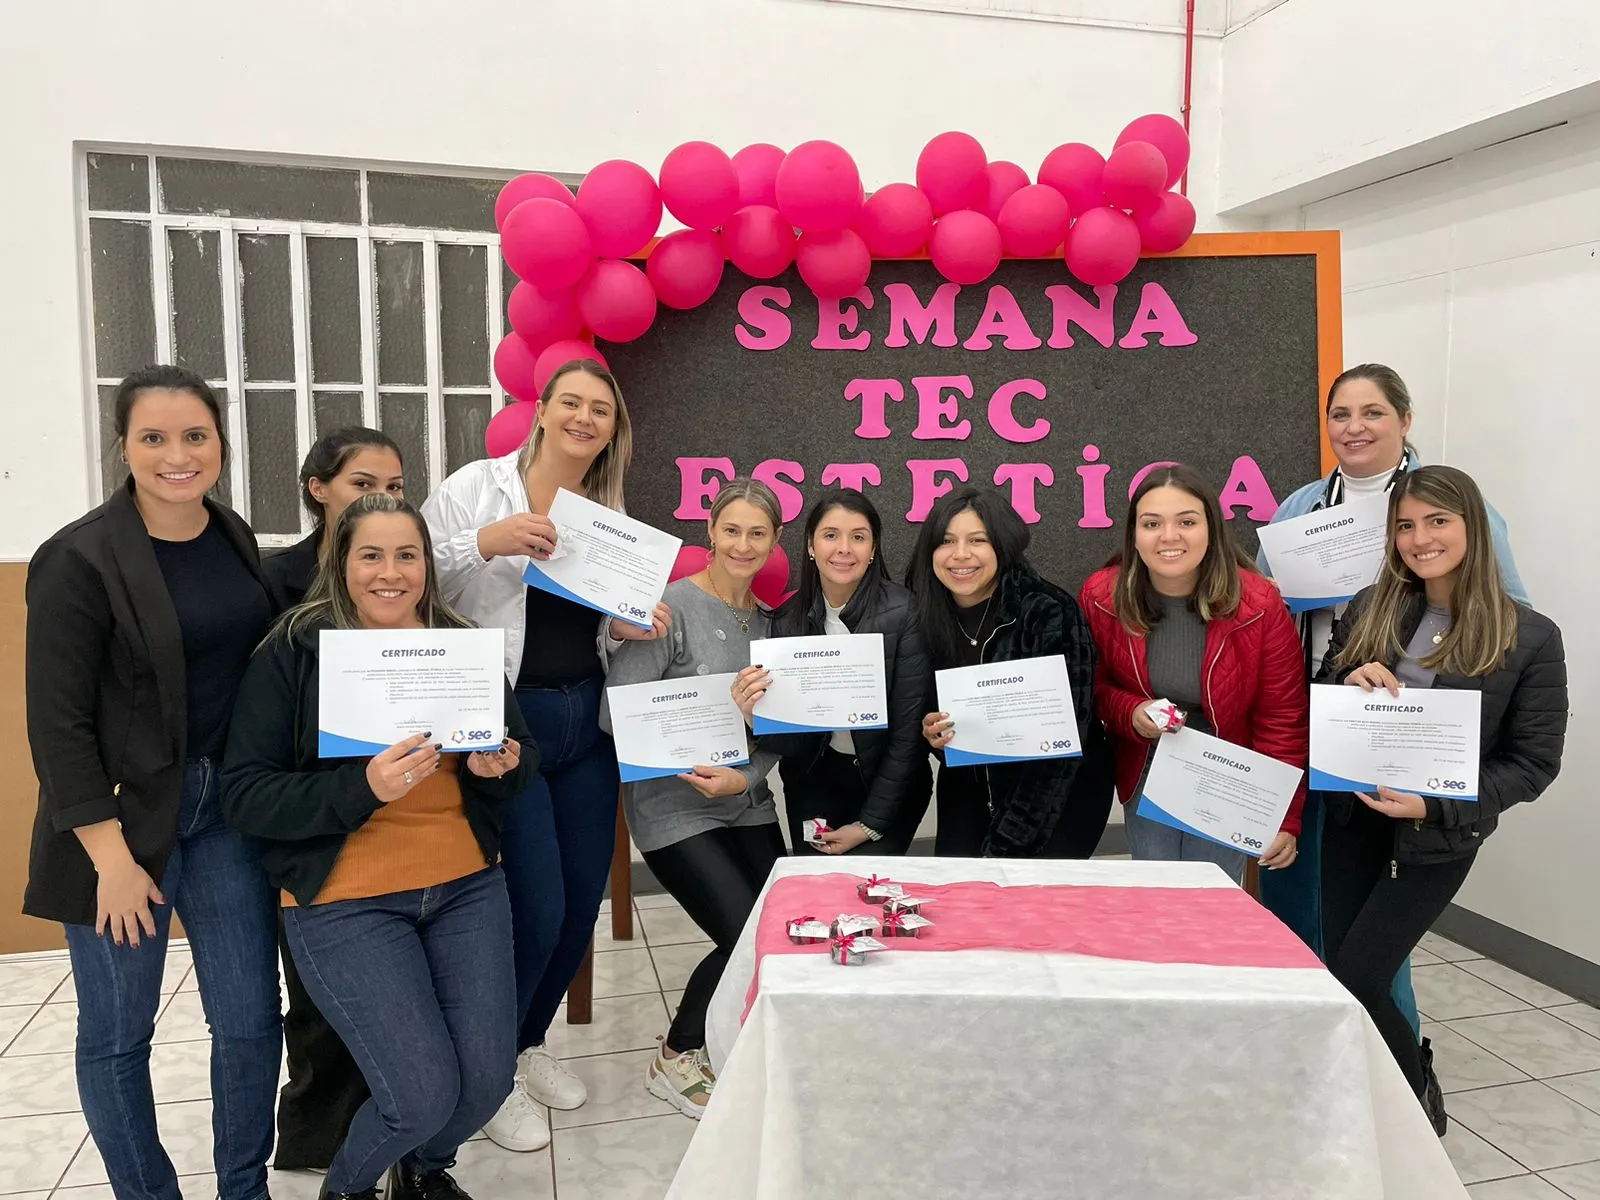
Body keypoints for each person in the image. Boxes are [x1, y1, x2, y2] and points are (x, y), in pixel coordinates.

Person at [222, 494, 536, 1200]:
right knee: (419, 1095)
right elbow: (245, 794)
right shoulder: (293, 653)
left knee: (487, 1082)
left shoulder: (458, 643)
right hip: (345, 900)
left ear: (427, 564)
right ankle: (351, 1189)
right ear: (341, 562)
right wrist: (361, 788)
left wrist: (504, 767)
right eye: (371, 555)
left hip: (466, 887)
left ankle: (425, 1173)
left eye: (407, 555)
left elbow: (521, 757)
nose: (389, 573)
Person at [23, 365, 281, 1200]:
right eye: (155, 438)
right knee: (118, 1033)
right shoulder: (79, 557)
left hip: (225, 817)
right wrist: (111, 859)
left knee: (247, 1024)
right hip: (120, 831)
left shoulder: (232, 533)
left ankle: (243, 1188)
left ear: (220, 443)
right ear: (124, 446)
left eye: (195, 435)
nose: (178, 455)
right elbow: (56, 726)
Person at [1255, 363, 1530, 1089]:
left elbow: (1505, 625)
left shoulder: (1452, 505)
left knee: (1377, 934)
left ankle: (1399, 1068)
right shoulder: (1303, 505)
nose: (1354, 428)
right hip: (1318, 711)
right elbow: (1260, 609)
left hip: (1411, 739)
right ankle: (1315, 1052)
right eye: (1340, 414)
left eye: (1372, 412)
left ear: (1404, 421)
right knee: (1298, 889)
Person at [420, 359, 667, 1151]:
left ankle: (524, 1048)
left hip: (582, 721)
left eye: (601, 409)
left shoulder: (607, 513)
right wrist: (483, 542)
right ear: (542, 410)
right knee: (535, 905)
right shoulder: (474, 488)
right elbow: (406, 572)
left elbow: (585, 626)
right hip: (507, 723)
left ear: (612, 429)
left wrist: (623, 627)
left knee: (578, 910)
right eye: (572, 403)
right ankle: (487, 1078)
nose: (586, 418)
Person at [1318, 465, 1565, 1135]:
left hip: (1433, 840)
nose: (1420, 538)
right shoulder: (1372, 605)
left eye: (1437, 521)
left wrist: (1435, 808)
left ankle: (1412, 1105)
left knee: (1363, 974)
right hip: (1350, 823)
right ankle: (1364, 1094)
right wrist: (1348, 675)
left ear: (1471, 528)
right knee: (1341, 976)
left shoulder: (1530, 636)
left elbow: (1534, 764)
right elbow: (1326, 691)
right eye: (1406, 525)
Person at [599, 479, 786, 1118]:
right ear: (710, 532)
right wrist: (717, 720)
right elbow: (612, 716)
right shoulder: (667, 610)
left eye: (756, 533)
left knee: (781, 930)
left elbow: (782, 732)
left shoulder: (771, 625)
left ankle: (734, 1041)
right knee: (741, 934)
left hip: (744, 797)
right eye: (731, 529)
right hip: (670, 806)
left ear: (774, 542)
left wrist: (747, 776)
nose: (742, 543)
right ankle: (677, 1055)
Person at [260, 426, 405, 1171]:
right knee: (317, 1004)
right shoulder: (273, 586)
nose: (380, 500)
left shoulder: (413, 595)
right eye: (362, 484)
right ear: (319, 489)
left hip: (408, 823)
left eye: (395, 488)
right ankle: (320, 1143)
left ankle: (400, 1128)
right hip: (313, 818)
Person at [1079, 464, 1305, 884]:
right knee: (1158, 894)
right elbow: (1090, 690)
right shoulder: (1101, 596)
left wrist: (1284, 816)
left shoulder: (1259, 604)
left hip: (1231, 770)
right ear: (1134, 534)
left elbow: (1283, 718)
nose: (1169, 536)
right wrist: (1131, 712)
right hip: (1148, 763)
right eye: (1152, 523)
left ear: (1211, 529)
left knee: (1215, 897)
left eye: (1186, 521)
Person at [907, 487, 1114, 857]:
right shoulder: (923, 614)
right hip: (969, 783)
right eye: (947, 541)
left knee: (1033, 905)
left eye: (977, 540)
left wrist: (1009, 844)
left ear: (1003, 545)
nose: (960, 555)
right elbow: (925, 717)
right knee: (961, 898)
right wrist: (932, 734)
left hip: (1059, 790)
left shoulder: (1048, 612)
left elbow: (1063, 749)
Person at [733, 489, 931, 855]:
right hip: (814, 784)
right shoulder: (787, 619)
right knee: (817, 894)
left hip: (889, 786)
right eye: (830, 535)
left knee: (872, 893)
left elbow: (908, 737)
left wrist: (870, 824)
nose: (844, 548)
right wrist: (754, 716)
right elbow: (792, 744)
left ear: (873, 549)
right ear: (810, 546)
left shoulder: (904, 612)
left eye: (858, 537)